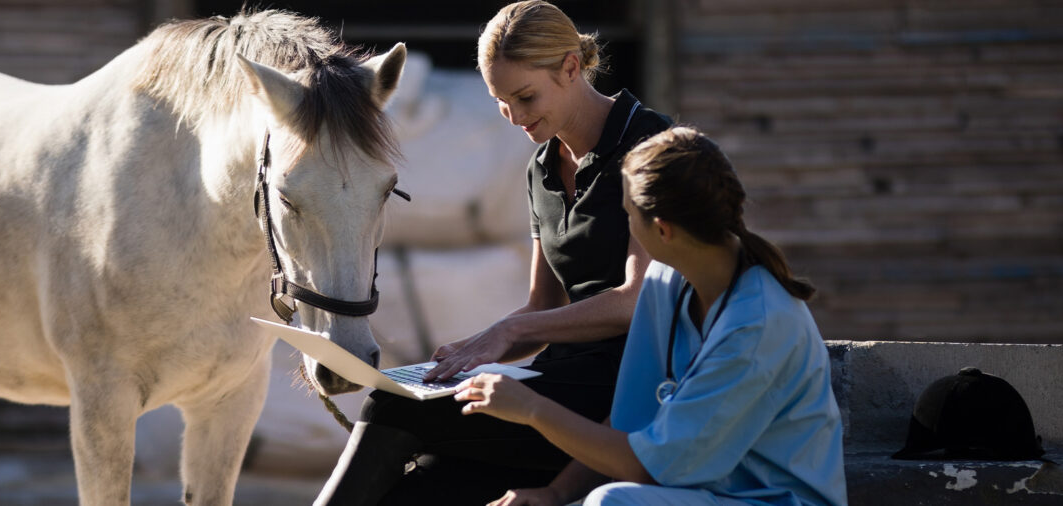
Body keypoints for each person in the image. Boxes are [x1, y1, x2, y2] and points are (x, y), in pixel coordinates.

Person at [312, 2, 670, 504]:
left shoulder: (651, 143)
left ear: (571, 67)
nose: (515, 117)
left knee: (392, 411)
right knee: (422, 481)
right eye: (501, 102)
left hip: (632, 387)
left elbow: (638, 299)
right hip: (557, 379)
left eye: (525, 97)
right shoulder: (539, 167)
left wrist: (508, 331)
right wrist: (470, 351)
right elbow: (542, 306)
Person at [455, 127, 848, 506]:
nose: (628, 225)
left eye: (628, 214)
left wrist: (531, 409)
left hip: (773, 501)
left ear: (662, 229)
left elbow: (647, 467)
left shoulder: (758, 324)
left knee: (613, 501)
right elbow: (629, 421)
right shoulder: (665, 282)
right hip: (698, 495)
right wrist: (555, 494)